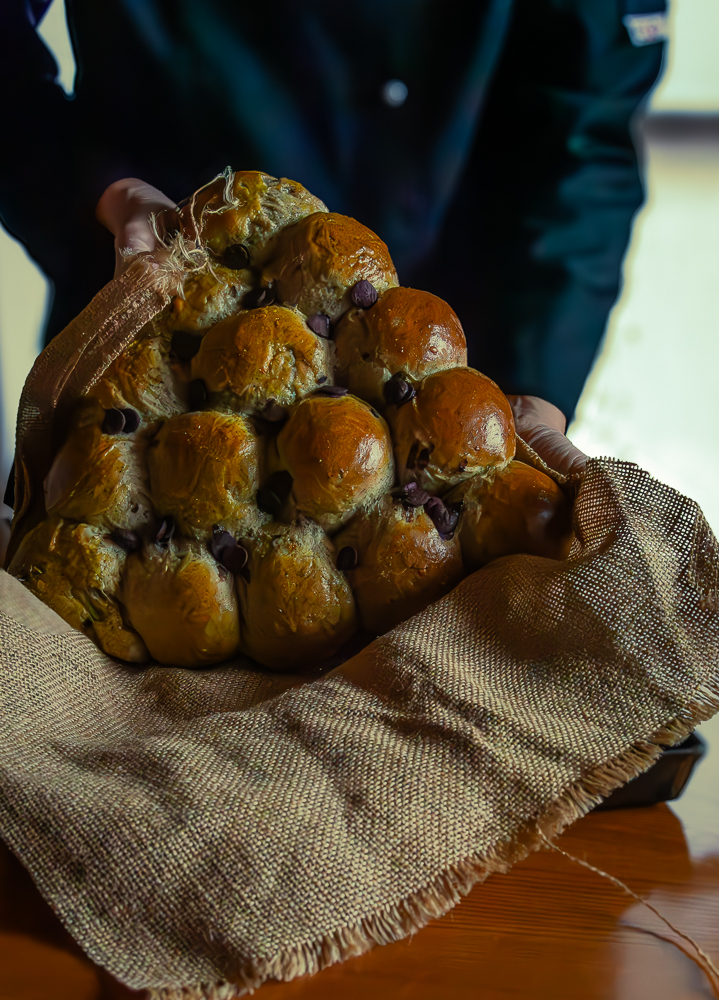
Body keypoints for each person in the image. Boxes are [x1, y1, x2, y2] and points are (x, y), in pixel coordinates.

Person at [0, 0, 666, 422]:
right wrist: (97, 190)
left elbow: (581, 135)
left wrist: (532, 395)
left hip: (447, 356)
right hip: (146, 322)